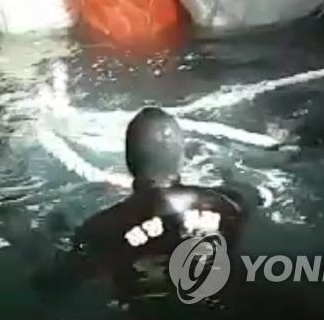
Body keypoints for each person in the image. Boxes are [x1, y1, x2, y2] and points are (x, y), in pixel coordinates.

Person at [34, 107, 250, 305]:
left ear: (129, 162)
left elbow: (54, 288)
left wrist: (39, 235)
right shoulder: (229, 206)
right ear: (182, 157)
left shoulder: (100, 230)